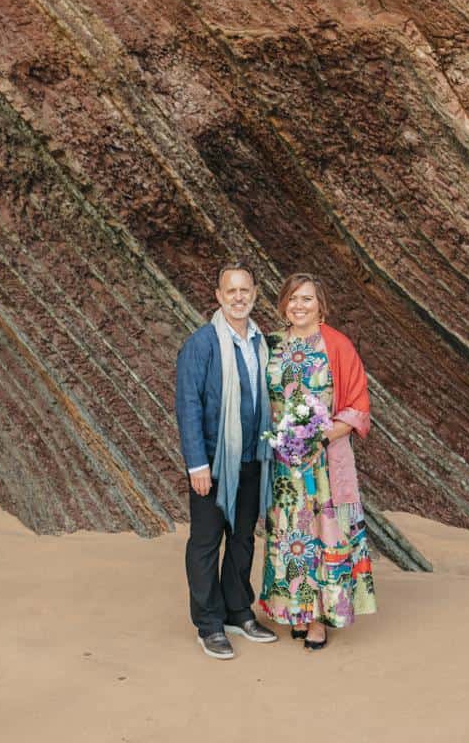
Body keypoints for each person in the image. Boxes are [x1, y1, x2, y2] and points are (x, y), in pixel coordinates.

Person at [259, 273, 377, 649]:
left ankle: (320, 619)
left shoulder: (337, 345)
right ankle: (296, 610)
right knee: (290, 537)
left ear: (320, 306)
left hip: (323, 462)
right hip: (283, 465)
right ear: (283, 304)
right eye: (292, 298)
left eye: (307, 299)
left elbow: (357, 407)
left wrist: (318, 438)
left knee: (323, 535)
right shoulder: (270, 344)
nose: (299, 306)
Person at [175, 262, 277, 659]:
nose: (238, 297)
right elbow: (188, 405)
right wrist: (197, 464)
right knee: (206, 542)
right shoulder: (201, 344)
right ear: (218, 296)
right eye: (230, 291)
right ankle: (209, 623)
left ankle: (237, 611)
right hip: (214, 462)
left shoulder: (262, 343)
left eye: (244, 290)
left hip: (253, 458)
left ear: (255, 294)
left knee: (242, 538)